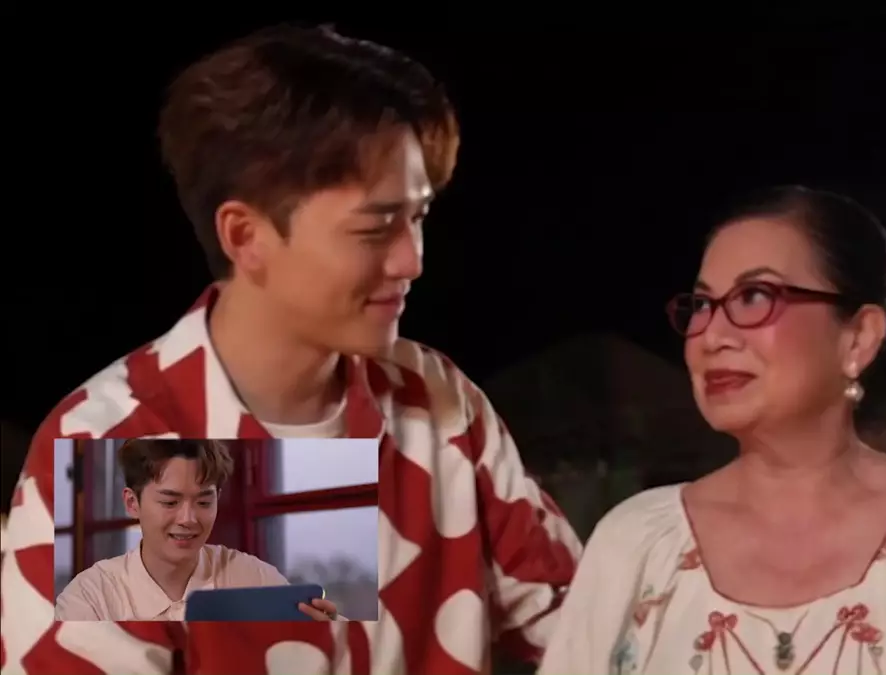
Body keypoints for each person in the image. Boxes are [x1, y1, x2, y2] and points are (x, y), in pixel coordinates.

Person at [2, 24, 580, 675]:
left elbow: (588, 631)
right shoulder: (115, 451)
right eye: (375, 228)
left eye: (417, 217)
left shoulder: (438, 403)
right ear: (244, 235)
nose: (412, 260)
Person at [539, 186, 886, 675]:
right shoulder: (635, 549)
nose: (712, 336)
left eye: (754, 297)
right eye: (703, 304)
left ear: (858, 338)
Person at [55, 439, 339, 622]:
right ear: (132, 503)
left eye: (204, 502)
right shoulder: (91, 596)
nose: (188, 519)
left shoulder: (253, 577)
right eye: (170, 502)